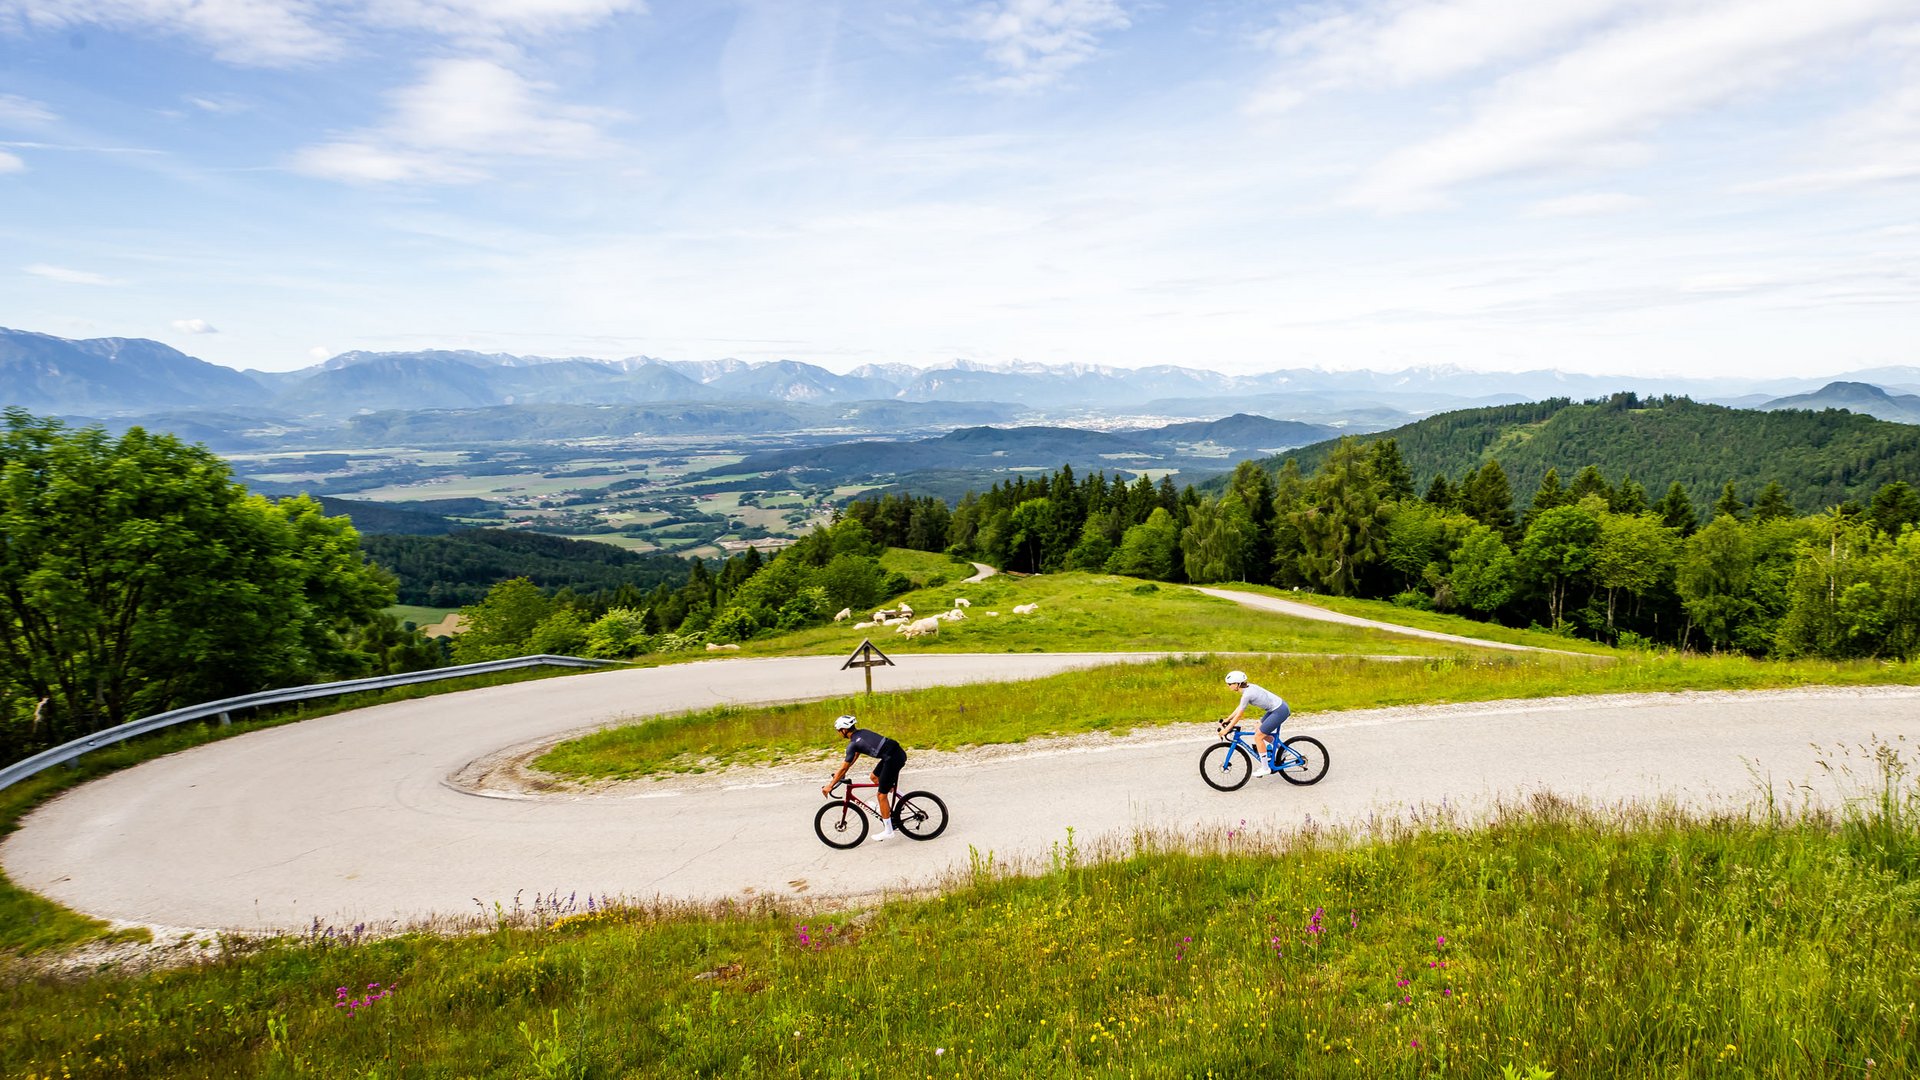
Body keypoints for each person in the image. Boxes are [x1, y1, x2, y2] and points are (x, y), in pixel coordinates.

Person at [823, 715, 908, 841]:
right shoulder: (861, 733)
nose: (838, 733)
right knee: (874, 777)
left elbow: (844, 767)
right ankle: (902, 800)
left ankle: (889, 831)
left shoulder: (852, 744)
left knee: (881, 795)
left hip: (892, 759)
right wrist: (839, 774)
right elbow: (853, 758)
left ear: (844, 730)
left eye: (838, 731)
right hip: (895, 753)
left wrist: (830, 785)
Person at [1219, 669, 1290, 774]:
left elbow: (1239, 716)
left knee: (1258, 737)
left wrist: (1226, 730)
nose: (1228, 686)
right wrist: (1228, 719)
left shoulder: (1247, 694)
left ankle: (1265, 768)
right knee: (1259, 730)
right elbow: (1240, 707)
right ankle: (1283, 750)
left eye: (1230, 684)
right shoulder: (1248, 688)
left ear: (1237, 684)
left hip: (1279, 710)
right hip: (1276, 708)